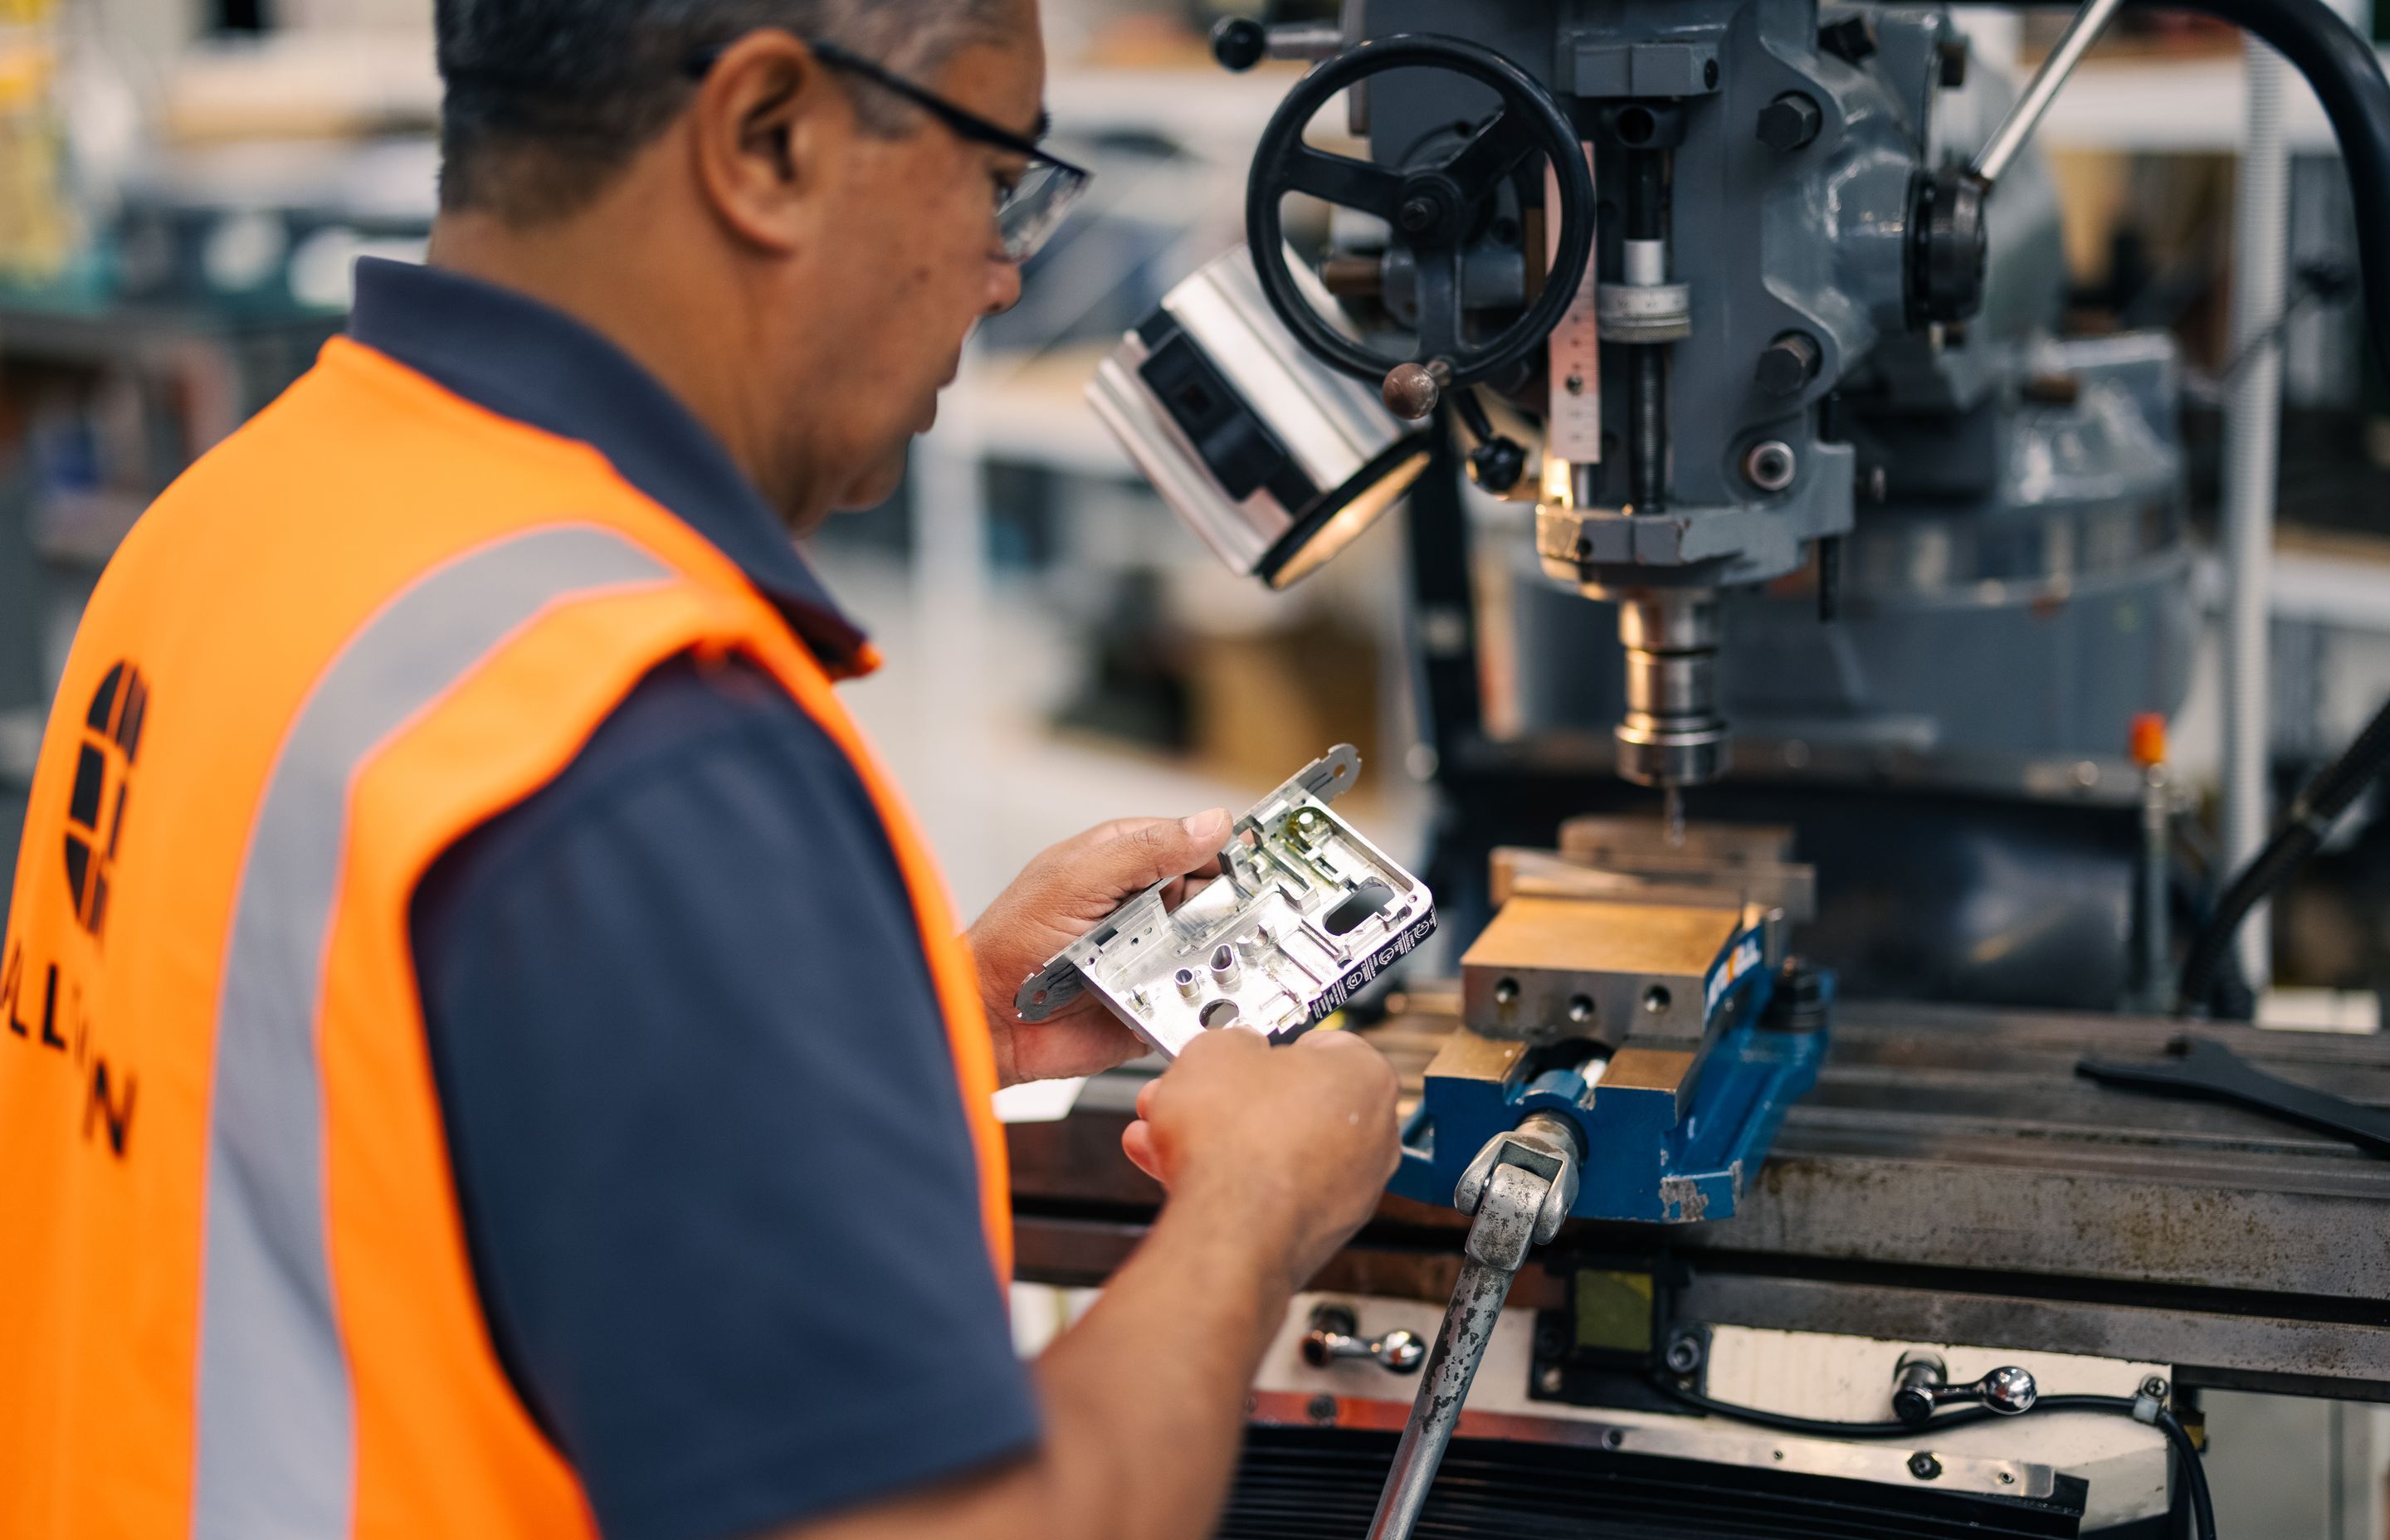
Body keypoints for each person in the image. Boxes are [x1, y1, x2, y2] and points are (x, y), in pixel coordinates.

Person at [0, 2, 1403, 1537]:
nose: (1006, 276)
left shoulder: (233, 522)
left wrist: (939, 1029)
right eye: (995, 180)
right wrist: (1252, 1214)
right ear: (771, 141)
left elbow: (371, 1134)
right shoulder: (637, 731)